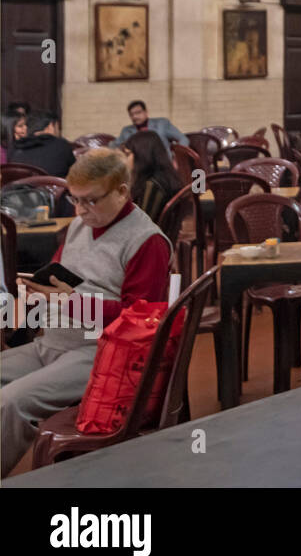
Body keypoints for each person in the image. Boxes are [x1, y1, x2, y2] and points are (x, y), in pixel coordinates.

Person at [1, 149, 170, 476]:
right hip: (50, 342)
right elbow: (59, 271)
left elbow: (141, 320)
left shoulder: (146, 240)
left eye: (90, 200)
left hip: (97, 352)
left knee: (11, 403)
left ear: (122, 191)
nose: (80, 210)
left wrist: (73, 303)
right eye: (74, 200)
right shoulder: (79, 225)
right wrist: (38, 292)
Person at [122, 130, 183, 225]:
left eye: (128, 154)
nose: (125, 160)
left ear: (141, 156)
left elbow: (140, 225)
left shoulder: (152, 185)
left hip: (150, 237)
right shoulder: (165, 176)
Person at [8, 110, 76, 178]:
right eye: (57, 127)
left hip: (19, 188)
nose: (59, 131)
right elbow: (76, 173)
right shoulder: (62, 145)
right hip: (53, 187)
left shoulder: (15, 147)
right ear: (50, 126)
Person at [112, 100, 189, 148]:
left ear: (146, 112)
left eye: (138, 113)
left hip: (162, 163)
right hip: (137, 166)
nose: (134, 116)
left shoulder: (162, 123)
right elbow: (113, 145)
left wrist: (177, 156)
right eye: (131, 114)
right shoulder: (126, 130)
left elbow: (183, 139)